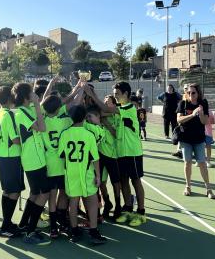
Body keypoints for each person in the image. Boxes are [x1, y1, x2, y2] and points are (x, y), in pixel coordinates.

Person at [85, 82, 146, 227]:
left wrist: (92, 93)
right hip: (120, 152)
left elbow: (106, 108)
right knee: (123, 180)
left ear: (126, 94)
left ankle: (141, 212)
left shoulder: (129, 108)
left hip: (133, 152)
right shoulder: (119, 108)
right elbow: (102, 111)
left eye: (117, 94)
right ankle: (128, 209)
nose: (116, 97)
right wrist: (90, 99)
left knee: (136, 181)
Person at [58, 105, 107, 245]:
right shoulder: (89, 134)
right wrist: (98, 176)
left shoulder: (64, 133)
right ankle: (93, 231)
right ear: (85, 117)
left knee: (73, 203)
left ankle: (74, 231)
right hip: (87, 173)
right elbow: (95, 158)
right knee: (92, 201)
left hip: (71, 174)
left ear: (70, 118)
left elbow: (62, 155)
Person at [12, 82, 51, 245]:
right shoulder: (22, 112)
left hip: (36, 158)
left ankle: (24, 224)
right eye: (32, 93)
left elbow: (41, 108)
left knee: (35, 193)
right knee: (44, 193)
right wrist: (36, 103)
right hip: (33, 160)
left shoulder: (26, 110)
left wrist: (38, 101)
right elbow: (42, 127)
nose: (35, 95)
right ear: (26, 96)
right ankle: (30, 231)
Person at [41, 95, 73, 239]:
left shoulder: (42, 122)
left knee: (52, 196)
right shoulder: (65, 121)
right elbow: (74, 104)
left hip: (49, 163)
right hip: (64, 163)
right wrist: (80, 87)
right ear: (59, 108)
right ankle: (62, 221)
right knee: (64, 193)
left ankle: (53, 227)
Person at [0, 86, 24, 237]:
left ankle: (7, 223)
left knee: (7, 190)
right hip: (12, 157)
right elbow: (15, 139)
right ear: (9, 98)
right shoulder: (8, 115)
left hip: (2, 155)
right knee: (15, 191)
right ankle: (5, 225)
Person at [176, 83, 215, 199]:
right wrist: (192, 115)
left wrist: (202, 113)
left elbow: (205, 122)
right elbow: (179, 120)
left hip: (198, 139)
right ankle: (188, 186)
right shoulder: (182, 103)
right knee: (187, 162)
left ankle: (208, 188)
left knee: (202, 163)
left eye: (193, 92)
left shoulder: (203, 103)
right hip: (185, 139)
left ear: (198, 93)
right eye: (188, 92)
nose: (190, 95)